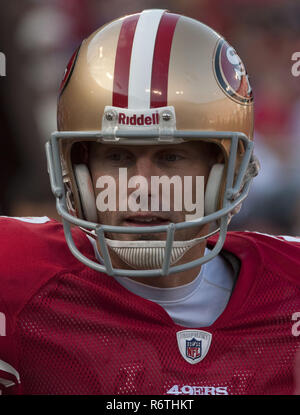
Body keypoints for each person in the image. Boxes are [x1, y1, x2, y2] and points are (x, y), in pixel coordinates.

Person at [0, 9, 299, 396]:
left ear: (227, 171)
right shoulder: (16, 277)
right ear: (77, 170)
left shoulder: (289, 290)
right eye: (118, 158)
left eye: (171, 157)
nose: (142, 186)